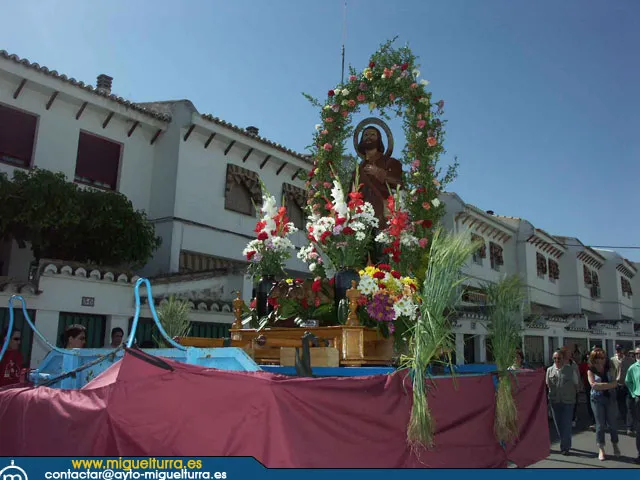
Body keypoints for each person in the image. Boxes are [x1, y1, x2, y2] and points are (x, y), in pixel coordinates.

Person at [356, 125, 403, 228]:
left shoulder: (390, 162)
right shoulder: (358, 169)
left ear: (379, 139)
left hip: (383, 213)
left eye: (373, 135)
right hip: (361, 217)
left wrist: (378, 172)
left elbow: (399, 183)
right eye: (366, 135)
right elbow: (352, 193)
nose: (369, 137)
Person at [588, 348, 620, 461]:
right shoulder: (591, 370)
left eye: (603, 357)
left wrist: (602, 385)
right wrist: (609, 385)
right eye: (598, 357)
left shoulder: (610, 368)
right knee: (600, 425)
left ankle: (615, 444)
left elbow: (616, 383)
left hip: (610, 398)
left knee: (612, 424)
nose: (601, 359)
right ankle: (601, 448)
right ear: (594, 358)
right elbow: (593, 385)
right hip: (597, 399)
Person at [546, 349, 579, 455]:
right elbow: (548, 384)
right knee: (558, 425)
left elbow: (576, 384)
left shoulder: (570, 370)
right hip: (555, 401)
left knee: (566, 424)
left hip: (568, 401)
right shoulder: (549, 370)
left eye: (559, 358)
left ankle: (565, 447)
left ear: (563, 359)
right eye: (554, 358)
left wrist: (573, 395)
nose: (557, 360)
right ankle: (564, 442)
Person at [611, 345, 635, 435]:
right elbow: (611, 372)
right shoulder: (612, 360)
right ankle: (626, 422)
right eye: (617, 350)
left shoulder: (630, 360)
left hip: (628, 385)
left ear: (623, 350)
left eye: (620, 350)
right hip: (618, 385)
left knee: (629, 406)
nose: (619, 351)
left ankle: (629, 427)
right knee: (621, 406)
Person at [625, 347, 640, 464]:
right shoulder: (633, 368)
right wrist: (633, 393)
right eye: (636, 354)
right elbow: (628, 381)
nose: (638, 355)